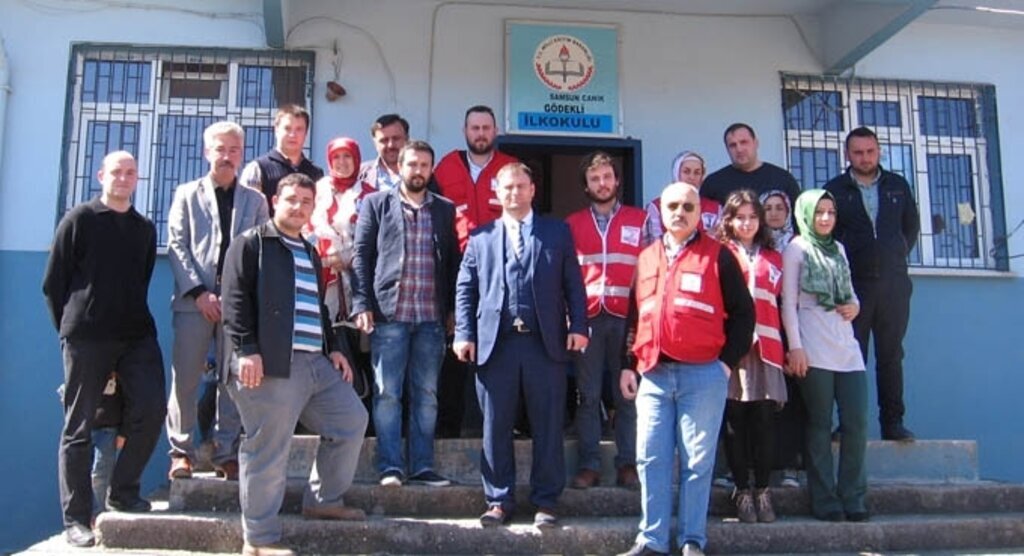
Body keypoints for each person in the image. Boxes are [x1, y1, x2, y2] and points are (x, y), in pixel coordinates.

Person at [221, 173, 369, 556]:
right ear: (275, 201)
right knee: (267, 449)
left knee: (351, 421)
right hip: (269, 363)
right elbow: (234, 300)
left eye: (307, 201)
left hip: (314, 362)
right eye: (292, 199)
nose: (299, 207)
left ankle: (323, 499)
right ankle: (259, 539)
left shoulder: (309, 251)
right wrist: (246, 350)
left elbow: (317, 307)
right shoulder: (250, 244)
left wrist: (334, 346)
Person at [617, 182, 754, 556]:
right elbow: (636, 316)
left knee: (697, 461)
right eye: (672, 205)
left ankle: (692, 540)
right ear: (661, 211)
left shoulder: (719, 256)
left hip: (703, 375)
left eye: (688, 207)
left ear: (699, 214)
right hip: (655, 374)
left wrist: (725, 365)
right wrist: (628, 364)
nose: (679, 212)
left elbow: (745, 316)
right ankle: (652, 540)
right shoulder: (645, 257)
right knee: (650, 458)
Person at [453, 162, 588, 529]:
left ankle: (546, 500)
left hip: (545, 345)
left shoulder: (556, 233)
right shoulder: (480, 238)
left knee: (548, 423)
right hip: (496, 346)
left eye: (520, 186)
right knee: (495, 426)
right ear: (497, 194)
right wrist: (464, 333)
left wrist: (579, 325)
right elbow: (465, 290)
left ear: (532, 190)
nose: (514, 193)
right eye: (507, 187)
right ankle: (498, 500)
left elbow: (573, 284)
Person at [43, 151, 166, 548]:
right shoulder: (79, 219)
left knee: (150, 408)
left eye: (131, 173)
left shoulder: (144, 229)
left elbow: (142, 278)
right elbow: (55, 283)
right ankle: (76, 518)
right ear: (101, 175)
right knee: (78, 427)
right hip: (87, 336)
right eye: (117, 171)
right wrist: (69, 333)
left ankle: (123, 492)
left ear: (138, 179)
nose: (123, 178)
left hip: (135, 334)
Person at [166, 121, 270, 482]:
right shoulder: (185, 194)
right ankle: (181, 452)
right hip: (194, 302)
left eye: (233, 150)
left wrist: (234, 297)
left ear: (241, 154)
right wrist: (199, 293)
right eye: (220, 149)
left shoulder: (255, 201)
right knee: (186, 377)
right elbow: (177, 246)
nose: (226, 156)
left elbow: (260, 250)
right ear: (206, 151)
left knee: (235, 378)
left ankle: (227, 452)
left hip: (237, 305)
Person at [352, 141, 459, 487]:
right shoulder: (376, 204)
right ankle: (390, 467)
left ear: (431, 170)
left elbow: (454, 264)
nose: (418, 171)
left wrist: (454, 310)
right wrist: (361, 303)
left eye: (425, 165)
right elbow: (361, 257)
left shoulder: (444, 209)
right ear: (399, 166)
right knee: (388, 394)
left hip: (430, 318)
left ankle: (423, 466)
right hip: (390, 315)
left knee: (427, 395)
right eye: (412, 164)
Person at [824, 126, 920, 442]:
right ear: (847, 155)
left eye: (870, 151)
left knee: (891, 355)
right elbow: (827, 235)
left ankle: (893, 423)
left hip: (893, 285)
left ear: (878, 151)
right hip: (854, 286)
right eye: (858, 152)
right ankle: (849, 424)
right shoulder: (835, 190)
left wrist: (892, 255)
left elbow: (910, 229)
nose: (865, 158)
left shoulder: (898, 186)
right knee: (851, 356)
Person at [781, 189, 868, 523]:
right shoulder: (796, 248)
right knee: (819, 423)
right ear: (806, 215)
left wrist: (855, 306)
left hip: (845, 344)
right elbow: (788, 302)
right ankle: (825, 499)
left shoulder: (839, 249)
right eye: (819, 212)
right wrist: (796, 346)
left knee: (856, 422)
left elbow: (851, 293)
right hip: (812, 343)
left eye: (831, 212)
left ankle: (854, 496)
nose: (826, 218)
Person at [565, 151, 646, 490]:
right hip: (588, 320)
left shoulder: (639, 220)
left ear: (617, 180)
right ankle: (589, 465)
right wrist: (572, 319)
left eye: (607, 177)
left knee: (627, 394)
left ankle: (628, 463)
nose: (602, 183)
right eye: (595, 178)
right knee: (588, 395)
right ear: (586, 184)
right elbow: (567, 277)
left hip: (628, 317)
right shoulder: (572, 223)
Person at [715, 190, 787, 523]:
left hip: (768, 351)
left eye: (752, 216)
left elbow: (785, 305)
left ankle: (763, 489)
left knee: (764, 423)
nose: (747, 222)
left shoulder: (775, 257)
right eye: (739, 217)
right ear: (728, 220)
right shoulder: (719, 254)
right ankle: (741, 490)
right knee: (734, 423)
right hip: (732, 351)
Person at [760, 189, 803, 488]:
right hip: (763, 326)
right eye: (768, 208)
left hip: (795, 328)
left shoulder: (800, 246)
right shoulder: (757, 246)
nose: (774, 213)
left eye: (780, 207)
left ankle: (789, 464)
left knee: (792, 398)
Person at [308, 136, 376, 324]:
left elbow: (375, 237)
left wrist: (348, 259)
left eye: (347, 156)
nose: (342, 162)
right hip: (322, 274)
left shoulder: (369, 194)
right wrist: (327, 259)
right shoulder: (317, 191)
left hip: (359, 276)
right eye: (336, 157)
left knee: (355, 337)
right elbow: (307, 229)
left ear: (357, 159)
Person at [434, 105, 518, 251]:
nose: (481, 133)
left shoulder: (511, 167)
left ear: (495, 131)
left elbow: (525, 214)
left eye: (486, 128)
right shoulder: (446, 167)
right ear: (465, 131)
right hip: (457, 258)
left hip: (500, 257)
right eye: (475, 128)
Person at [240, 104, 324, 213]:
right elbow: (247, 214)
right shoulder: (258, 169)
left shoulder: (316, 173)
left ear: (306, 133)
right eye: (287, 128)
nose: (293, 134)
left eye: (299, 129)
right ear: (276, 130)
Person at [701, 123, 802, 207]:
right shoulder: (713, 184)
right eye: (733, 145)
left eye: (744, 142)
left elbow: (798, 220)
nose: (739, 149)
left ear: (756, 143)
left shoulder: (783, 179)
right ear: (727, 149)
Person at [644, 150, 721, 239]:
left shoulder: (715, 208)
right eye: (686, 171)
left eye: (697, 173)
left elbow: (718, 243)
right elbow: (656, 244)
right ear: (676, 173)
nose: (692, 177)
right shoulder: (656, 207)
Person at [358, 113, 409, 192]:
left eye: (396, 138)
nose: (391, 145)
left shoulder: (424, 173)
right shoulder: (359, 174)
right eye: (384, 140)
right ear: (375, 143)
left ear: (406, 139)